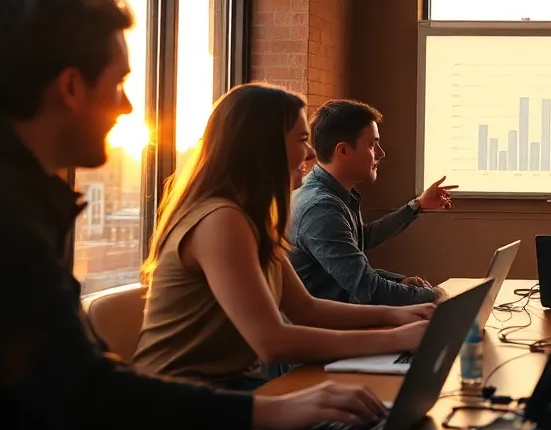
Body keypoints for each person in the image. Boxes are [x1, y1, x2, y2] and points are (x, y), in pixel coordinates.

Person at [0, 0, 386, 430]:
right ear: (69, 87)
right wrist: (268, 412)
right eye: (117, 85)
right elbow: (86, 393)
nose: (129, 107)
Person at [134, 85, 434, 388]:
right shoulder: (221, 220)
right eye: (302, 139)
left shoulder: (252, 218)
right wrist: (392, 338)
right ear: (266, 145)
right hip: (183, 404)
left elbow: (306, 309)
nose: (312, 153)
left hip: (226, 390)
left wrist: (400, 316)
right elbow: (272, 342)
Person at [289, 99, 456, 306]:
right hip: (325, 328)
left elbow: (360, 238)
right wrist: (435, 295)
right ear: (343, 150)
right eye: (372, 144)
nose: (381, 153)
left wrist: (418, 205)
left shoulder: (331, 193)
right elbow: (369, 289)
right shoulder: (321, 210)